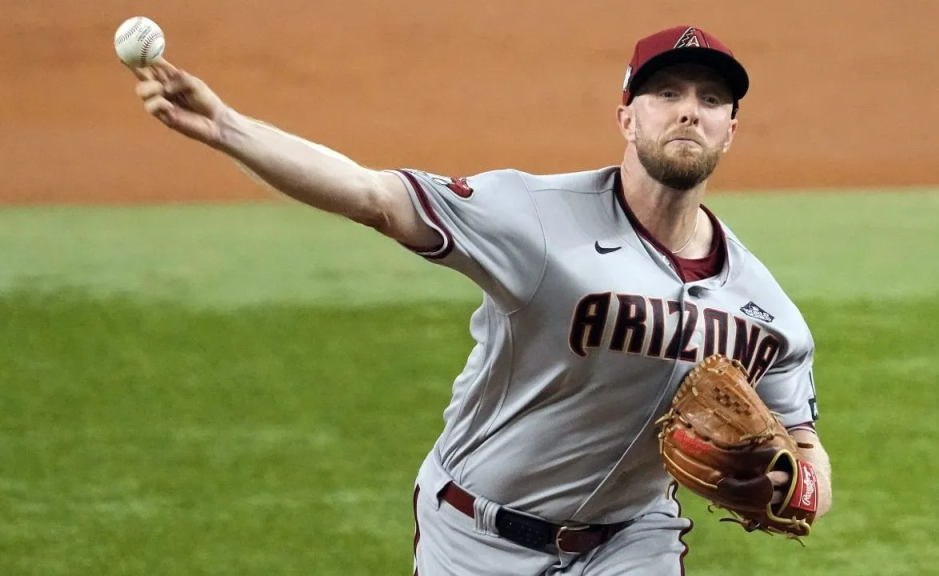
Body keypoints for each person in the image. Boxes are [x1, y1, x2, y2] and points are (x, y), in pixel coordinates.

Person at [129, 24, 832, 575]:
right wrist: (228, 128)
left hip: (632, 543)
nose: (689, 112)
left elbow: (806, 453)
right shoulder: (533, 216)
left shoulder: (766, 312)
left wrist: (789, 486)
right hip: (475, 533)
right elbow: (375, 196)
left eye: (710, 100)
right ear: (627, 117)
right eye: (667, 93)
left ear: (730, 130)